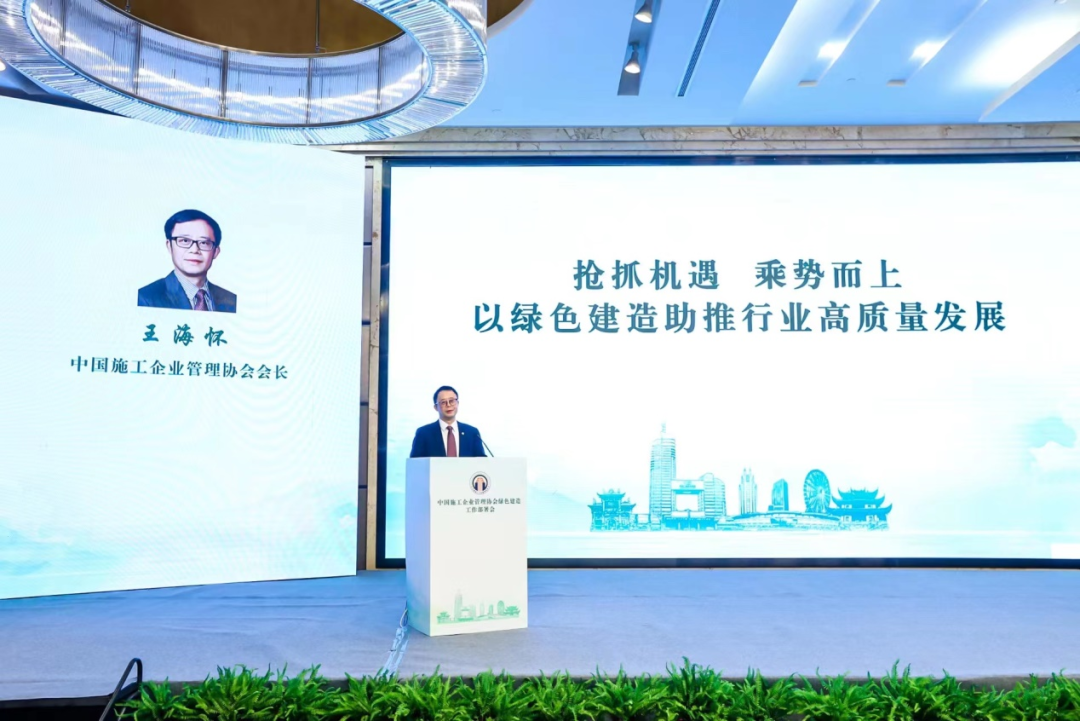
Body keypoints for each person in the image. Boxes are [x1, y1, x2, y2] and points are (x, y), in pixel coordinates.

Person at [137, 209, 237, 313]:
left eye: (204, 243)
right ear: (169, 246)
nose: (194, 250)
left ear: (216, 252)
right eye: (185, 241)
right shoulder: (145, 298)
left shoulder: (231, 300)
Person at [410, 386, 487, 458]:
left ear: (457, 403)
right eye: (443, 402)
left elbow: (481, 462)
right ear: (436, 407)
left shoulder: (472, 433)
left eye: (452, 401)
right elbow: (415, 463)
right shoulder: (423, 433)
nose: (448, 405)